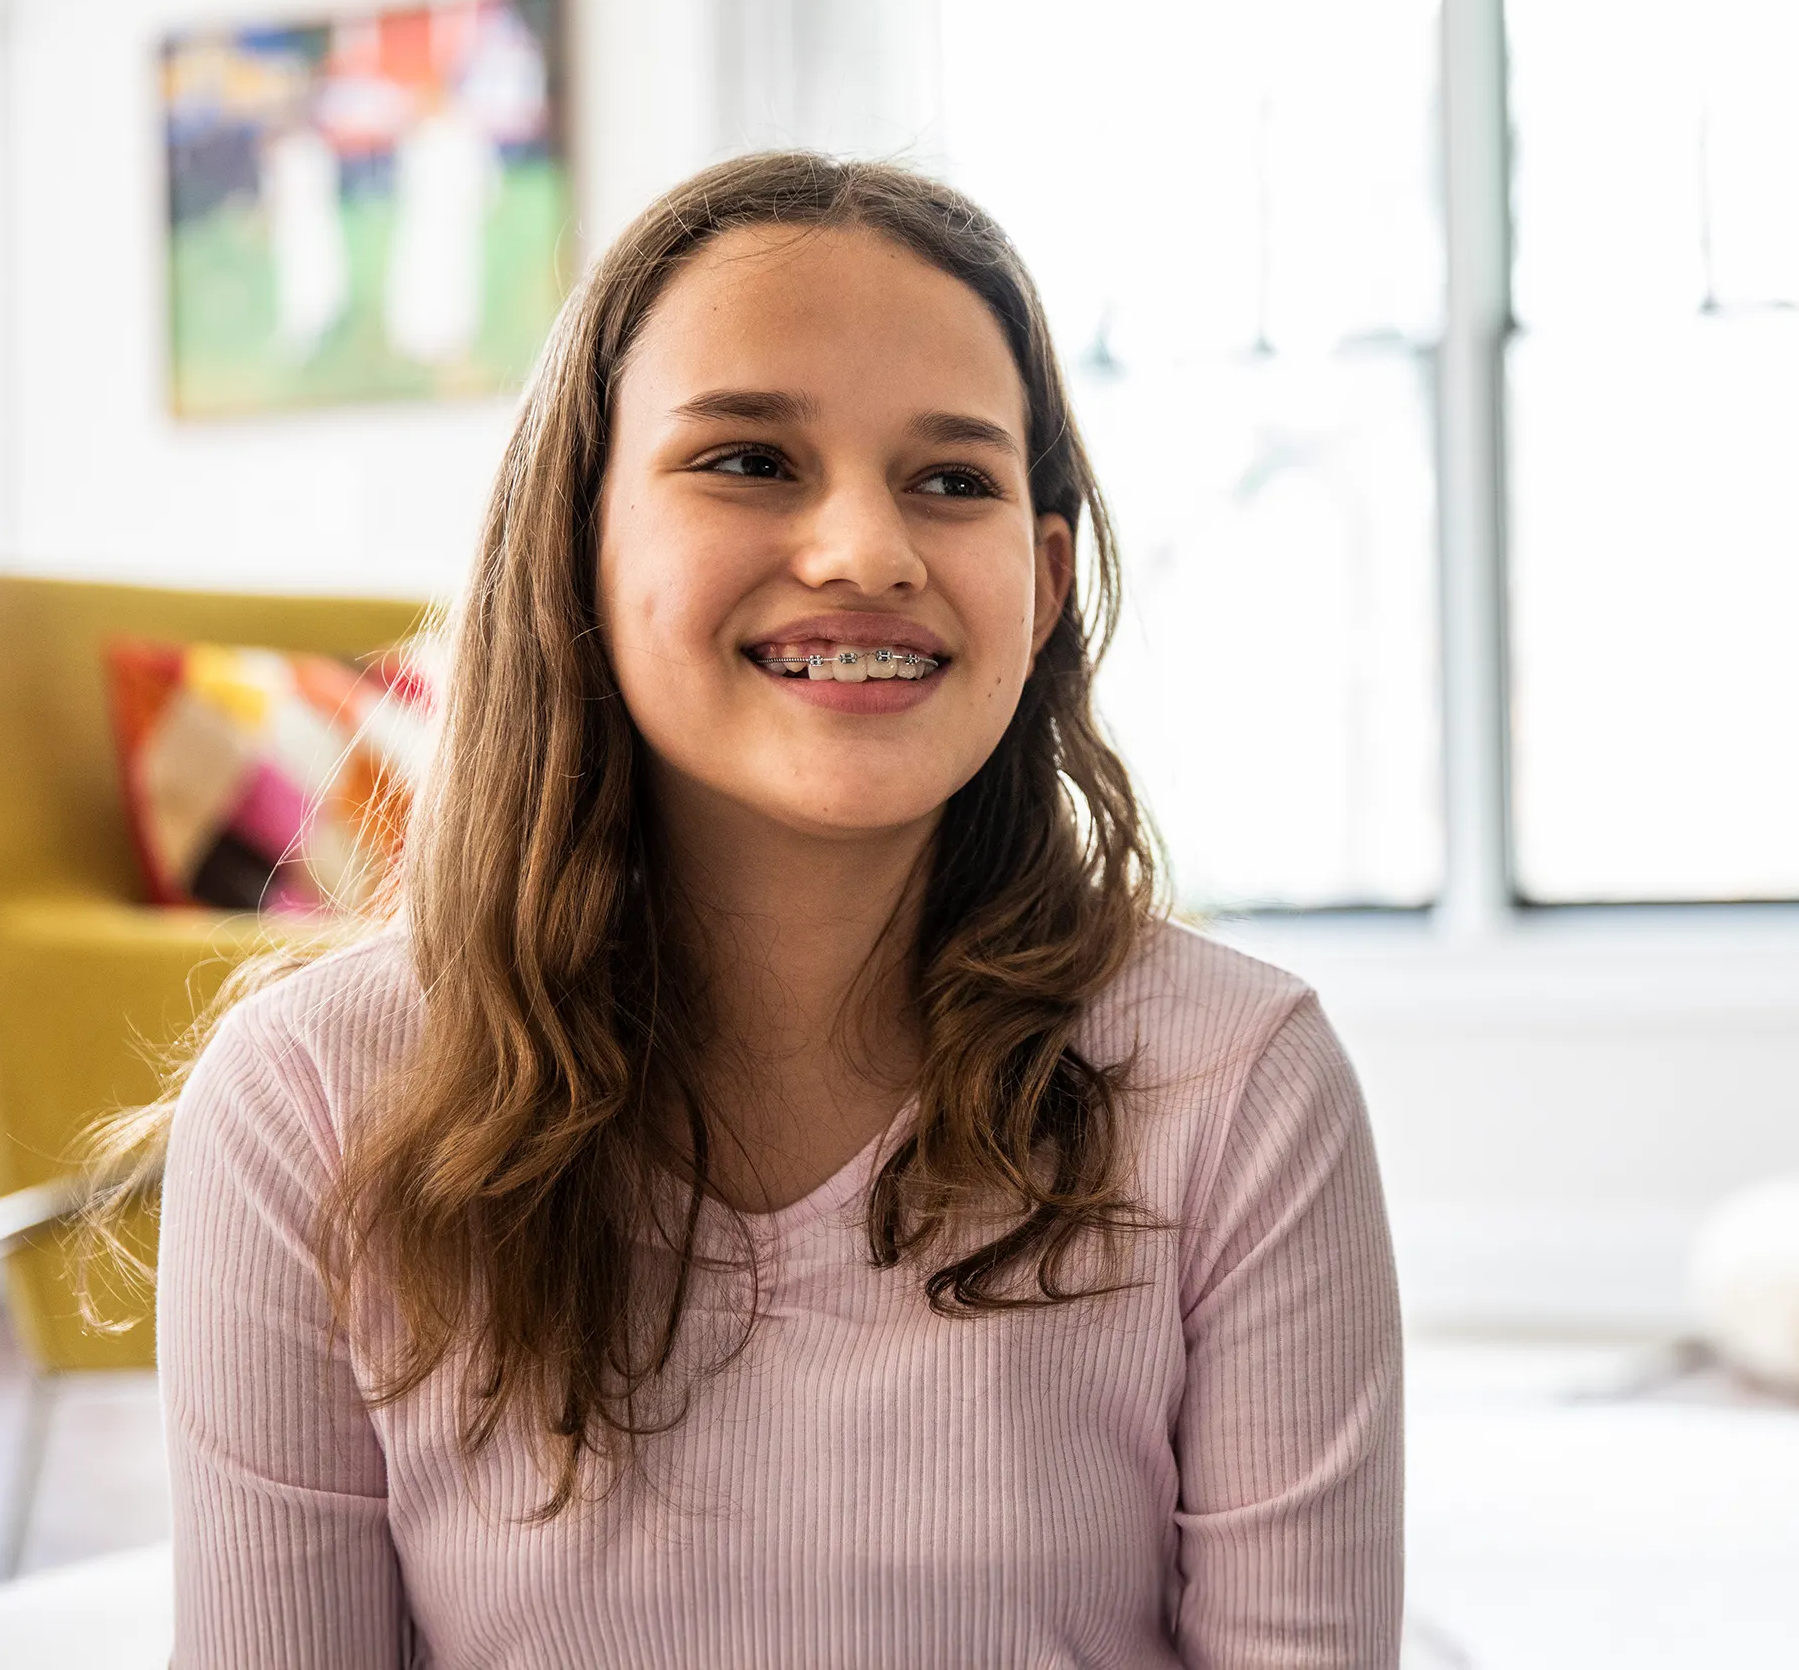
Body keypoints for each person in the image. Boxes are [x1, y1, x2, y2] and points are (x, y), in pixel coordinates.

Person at [152, 152, 1404, 1667]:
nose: (867, 553)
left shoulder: (1243, 1083)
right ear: (580, 537)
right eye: (750, 460)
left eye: (954, 481)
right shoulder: (306, 1101)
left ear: (1047, 575)